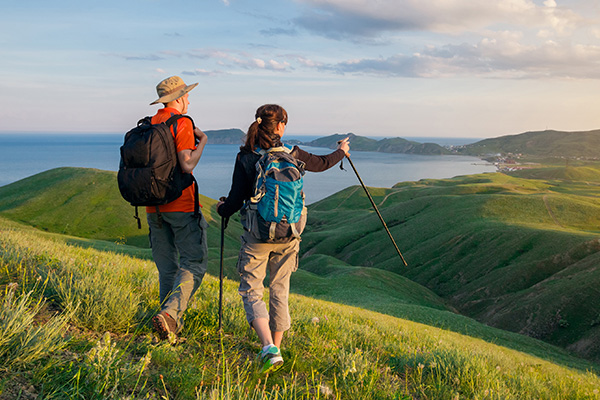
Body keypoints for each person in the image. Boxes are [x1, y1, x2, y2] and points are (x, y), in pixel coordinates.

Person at [216, 104, 350, 373]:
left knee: (252, 288)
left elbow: (234, 199)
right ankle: (276, 346)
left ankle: (268, 348)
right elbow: (323, 163)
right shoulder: (294, 154)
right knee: (280, 289)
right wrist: (342, 152)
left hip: (258, 235)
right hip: (290, 234)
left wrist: (222, 208)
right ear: (280, 127)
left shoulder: (246, 157)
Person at [147, 76, 209, 342]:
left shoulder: (149, 124)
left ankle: (167, 323)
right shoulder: (181, 123)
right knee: (193, 262)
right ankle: (170, 315)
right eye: (186, 96)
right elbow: (187, 164)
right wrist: (202, 142)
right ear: (179, 98)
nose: (189, 100)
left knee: (168, 267)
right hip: (180, 204)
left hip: (152, 205)